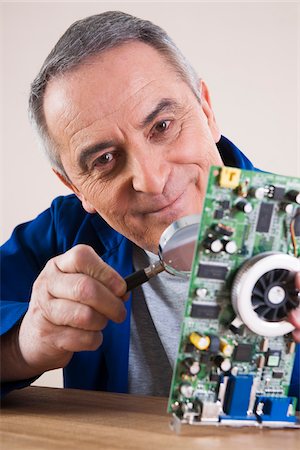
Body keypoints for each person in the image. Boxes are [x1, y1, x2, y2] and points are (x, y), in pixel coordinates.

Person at [1, 11, 299, 399]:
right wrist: (20, 347)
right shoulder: (67, 235)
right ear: (77, 187)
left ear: (207, 112)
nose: (152, 180)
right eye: (105, 160)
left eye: (162, 126)